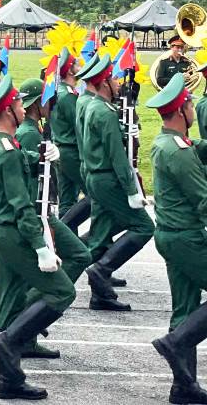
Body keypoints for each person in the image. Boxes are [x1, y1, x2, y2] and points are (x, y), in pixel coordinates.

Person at [0, 76, 77, 401]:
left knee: (9, 303)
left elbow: (16, 169)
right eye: (19, 104)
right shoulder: (7, 152)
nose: (24, 108)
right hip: (13, 234)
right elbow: (22, 205)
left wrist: (39, 158)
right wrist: (41, 247)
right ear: (8, 110)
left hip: (0, 232)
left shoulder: (1, 145)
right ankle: (10, 342)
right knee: (62, 291)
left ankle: (9, 380)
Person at [7, 77, 92, 360]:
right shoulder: (29, 134)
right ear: (36, 105)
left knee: (76, 257)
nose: (52, 106)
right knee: (79, 255)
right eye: (48, 102)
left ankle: (28, 327)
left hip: (44, 210)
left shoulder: (36, 129)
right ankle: (25, 317)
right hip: (38, 213)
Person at [146, 73, 207, 404]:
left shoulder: (167, 142)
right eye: (191, 104)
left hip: (171, 236)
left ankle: (184, 386)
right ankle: (176, 342)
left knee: (185, 308)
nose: (194, 108)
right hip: (186, 238)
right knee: (184, 321)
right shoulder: (178, 152)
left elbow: (198, 148)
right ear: (182, 110)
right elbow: (203, 199)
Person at [80, 54, 154, 312]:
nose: (117, 83)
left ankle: (99, 295)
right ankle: (101, 270)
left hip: (96, 177)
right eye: (113, 79)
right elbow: (116, 156)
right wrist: (131, 189)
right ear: (104, 83)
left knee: (100, 237)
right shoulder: (104, 112)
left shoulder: (95, 106)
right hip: (108, 178)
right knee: (144, 227)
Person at [51, 50, 90, 234]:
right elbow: (79, 126)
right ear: (69, 71)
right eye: (76, 64)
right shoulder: (67, 96)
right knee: (95, 194)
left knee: (67, 201)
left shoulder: (62, 92)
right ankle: (62, 231)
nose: (80, 67)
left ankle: (67, 241)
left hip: (62, 150)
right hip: (71, 152)